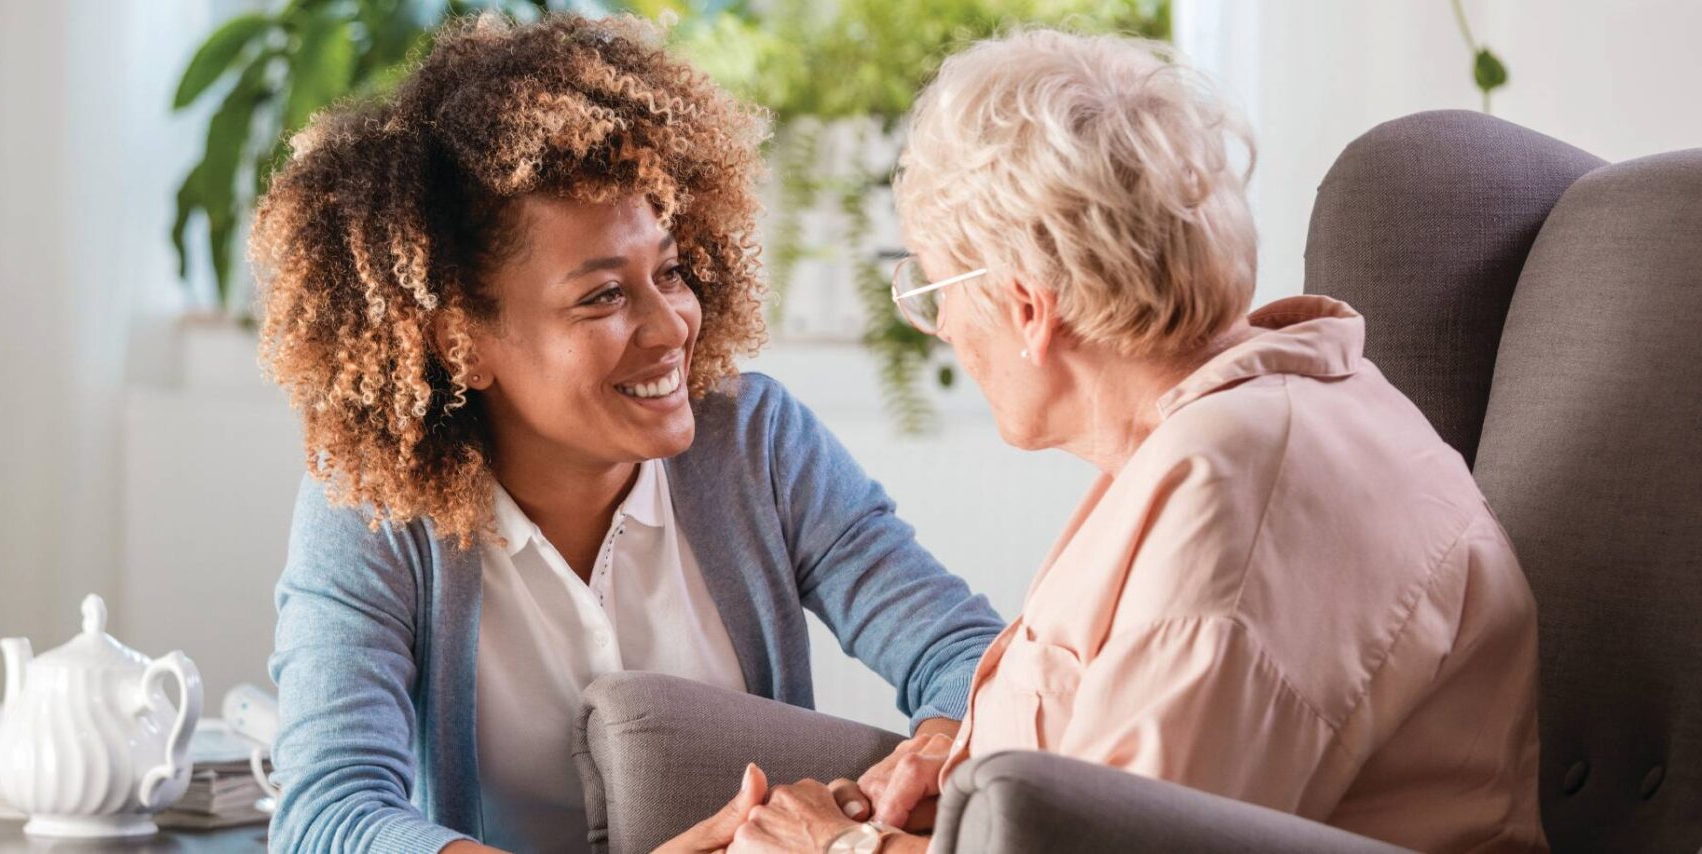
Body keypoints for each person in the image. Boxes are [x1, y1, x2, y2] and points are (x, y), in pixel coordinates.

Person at [727, 28, 1545, 854]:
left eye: (934, 287)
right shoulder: (1228, 434)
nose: (938, 325)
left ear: (1026, 307)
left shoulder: (1235, 496)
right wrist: (962, 779)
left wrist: (836, 848)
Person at [251, 15, 1005, 853]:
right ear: (460, 343)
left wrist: (930, 758)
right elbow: (327, 813)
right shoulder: (371, 508)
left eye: (670, 272)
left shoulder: (757, 443)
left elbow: (970, 655)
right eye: (603, 296)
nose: (671, 325)